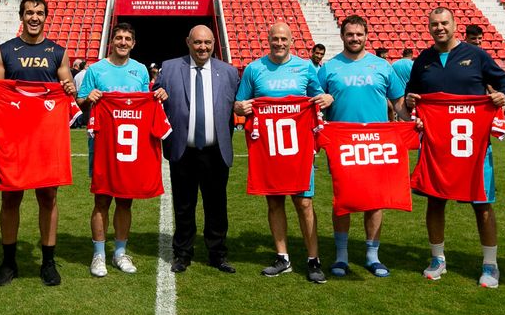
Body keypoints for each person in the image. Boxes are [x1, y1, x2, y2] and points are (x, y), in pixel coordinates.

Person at [405, 7, 505, 288]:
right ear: (429, 28)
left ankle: (490, 264)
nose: (439, 28)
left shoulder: (476, 55)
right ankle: (437, 258)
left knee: (482, 204)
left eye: (444, 23)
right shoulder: (424, 60)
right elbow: (410, 92)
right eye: (434, 24)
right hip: (437, 146)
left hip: (474, 147)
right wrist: (411, 101)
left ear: (455, 25)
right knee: (435, 199)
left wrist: (504, 94)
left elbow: (504, 80)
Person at [0, 0, 77, 287]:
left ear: (46, 17)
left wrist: (69, 86)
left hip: (46, 136)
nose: (34, 17)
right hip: (13, 137)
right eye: (29, 13)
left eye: (39, 13)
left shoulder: (57, 52)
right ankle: (9, 262)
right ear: (21, 17)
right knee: (10, 197)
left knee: (48, 198)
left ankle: (48, 262)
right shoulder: (5, 51)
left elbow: (68, 87)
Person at [235, 22, 334, 283]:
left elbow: (319, 96)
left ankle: (313, 259)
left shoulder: (305, 67)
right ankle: (283, 258)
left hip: (299, 149)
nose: (279, 43)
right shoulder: (254, 69)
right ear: (267, 40)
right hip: (268, 150)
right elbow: (238, 102)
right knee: (274, 202)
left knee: (304, 203)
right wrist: (240, 107)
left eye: (284, 39)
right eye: (275, 39)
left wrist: (328, 98)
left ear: (292, 41)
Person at [318, 15, 407, 278]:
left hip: (376, 145)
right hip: (342, 145)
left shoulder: (383, 67)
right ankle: (341, 256)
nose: (354, 38)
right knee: (342, 200)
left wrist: (413, 121)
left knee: (375, 201)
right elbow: (315, 104)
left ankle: (372, 255)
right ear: (342, 36)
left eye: (359, 34)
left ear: (366, 35)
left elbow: (399, 102)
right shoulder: (329, 68)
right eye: (349, 34)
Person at [77, 22, 165, 277]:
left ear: (133, 43)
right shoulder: (96, 70)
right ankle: (99, 255)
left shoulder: (139, 70)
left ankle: (119, 252)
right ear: (111, 42)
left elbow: (146, 103)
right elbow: (80, 101)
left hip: (131, 148)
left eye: (127, 38)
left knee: (126, 201)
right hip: (103, 146)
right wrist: (88, 98)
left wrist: (157, 96)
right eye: (118, 38)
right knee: (102, 199)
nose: (123, 42)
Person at [155, 25, 239, 274]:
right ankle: (182, 253)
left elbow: (235, 107)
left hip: (216, 150)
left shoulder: (229, 72)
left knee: (216, 205)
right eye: (198, 42)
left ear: (214, 44)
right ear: (188, 42)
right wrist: (157, 93)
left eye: (208, 43)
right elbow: (156, 99)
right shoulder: (169, 68)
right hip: (183, 149)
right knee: (183, 204)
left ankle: (217, 254)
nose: (203, 47)